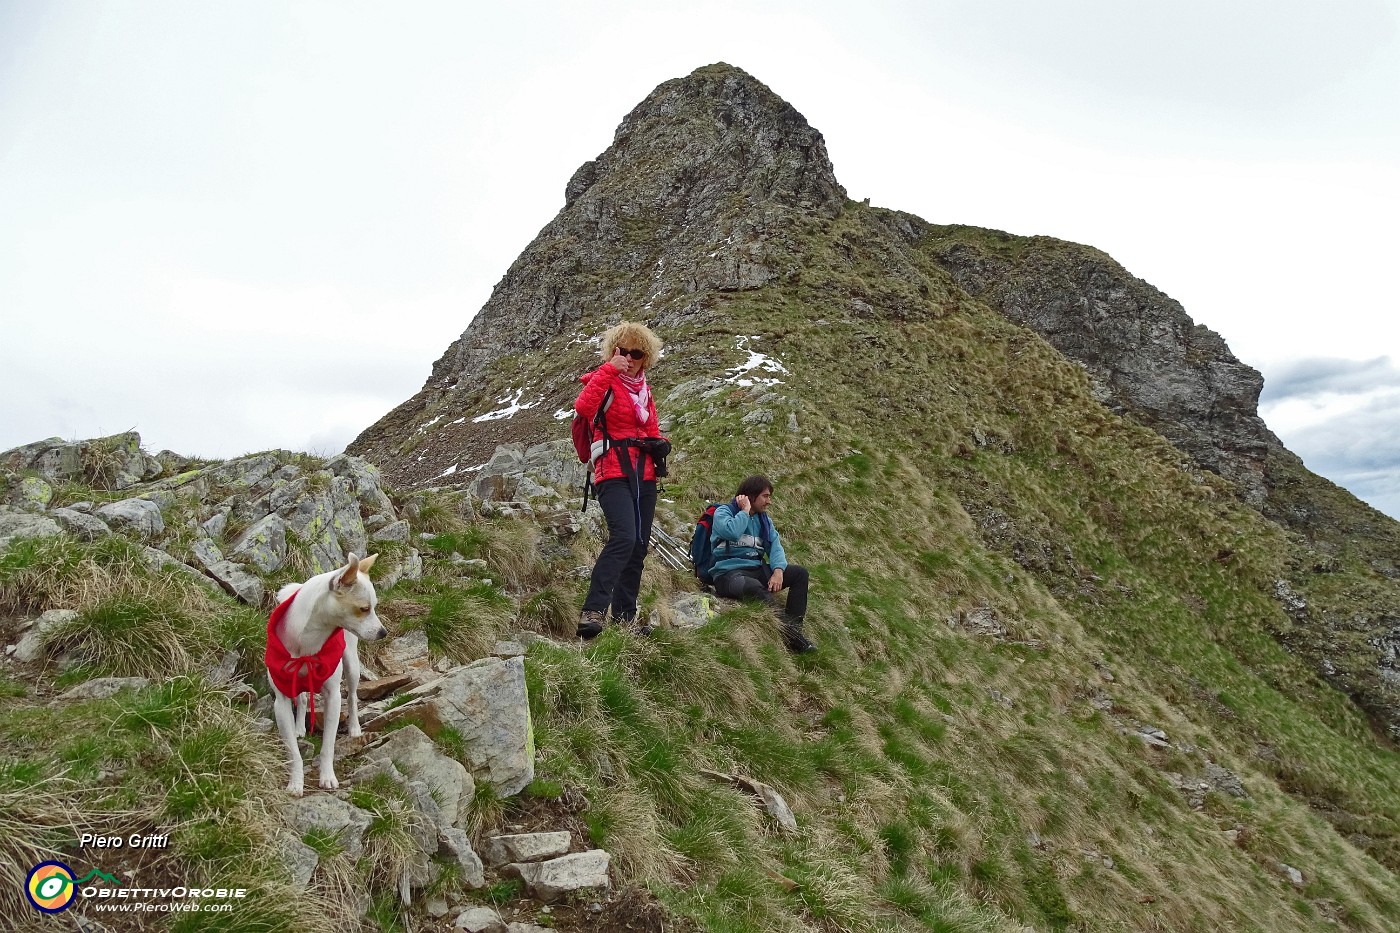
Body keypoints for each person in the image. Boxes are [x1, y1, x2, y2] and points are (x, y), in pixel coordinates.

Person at [574, 322, 670, 639]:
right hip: (612, 473)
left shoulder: (645, 393)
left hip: (644, 475)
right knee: (624, 538)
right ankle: (593, 610)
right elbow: (584, 407)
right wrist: (609, 369)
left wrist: (660, 445)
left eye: (636, 352)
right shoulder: (604, 380)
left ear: (647, 357)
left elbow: (650, 430)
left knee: (639, 547)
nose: (629, 357)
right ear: (613, 350)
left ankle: (625, 619)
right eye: (622, 350)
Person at [710, 475, 816, 653]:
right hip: (728, 575)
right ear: (751, 496)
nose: (769, 502)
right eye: (765, 496)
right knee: (754, 587)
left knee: (800, 574)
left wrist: (778, 571)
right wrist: (744, 511)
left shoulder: (764, 521)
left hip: (756, 569)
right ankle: (795, 639)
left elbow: (775, 546)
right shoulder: (724, 513)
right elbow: (731, 532)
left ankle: (795, 631)